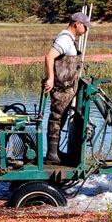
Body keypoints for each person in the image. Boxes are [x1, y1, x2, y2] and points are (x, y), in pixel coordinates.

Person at [43, 12, 91, 165]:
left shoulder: (70, 39)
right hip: (61, 88)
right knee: (56, 117)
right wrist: (50, 78)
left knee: (60, 117)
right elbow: (49, 57)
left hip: (67, 88)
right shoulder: (64, 39)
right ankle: (52, 154)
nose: (86, 29)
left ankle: (54, 152)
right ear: (76, 24)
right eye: (85, 26)